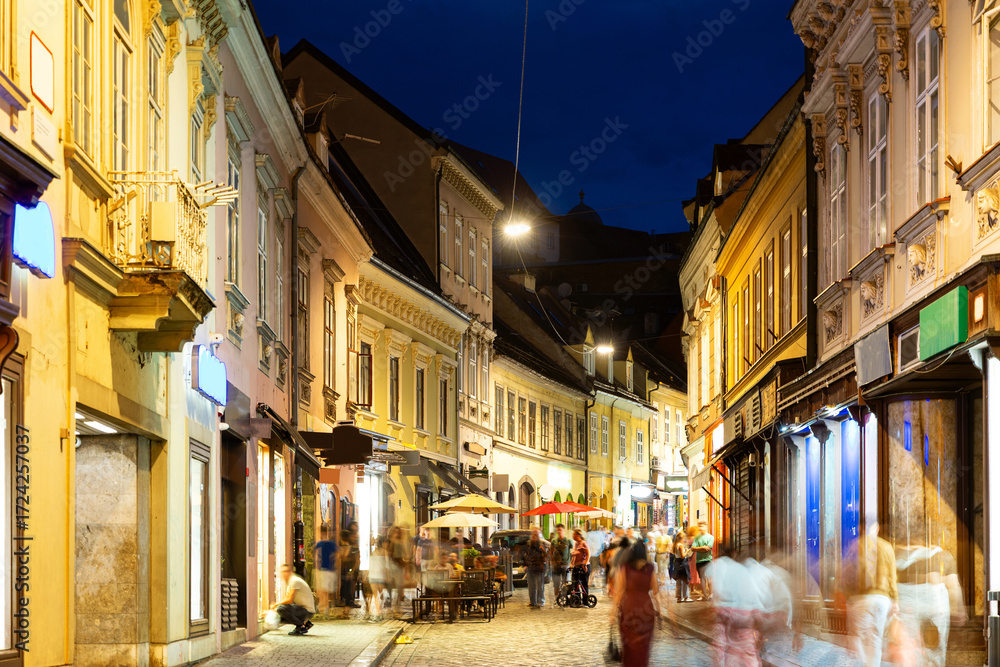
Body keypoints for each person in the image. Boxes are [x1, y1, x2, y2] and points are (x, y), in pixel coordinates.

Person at [845, 523, 898, 667]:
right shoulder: (887, 547)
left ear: (861, 528)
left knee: (857, 636)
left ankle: (863, 662)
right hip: (882, 599)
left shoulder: (856, 545)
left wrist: (848, 597)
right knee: (876, 639)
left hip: (862, 598)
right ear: (877, 528)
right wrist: (895, 600)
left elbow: (848, 573)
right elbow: (892, 576)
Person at [707, 544, 763, 666]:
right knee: (746, 647)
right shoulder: (744, 570)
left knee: (725, 646)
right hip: (744, 614)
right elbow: (755, 595)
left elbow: (717, 590)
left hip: (725, 611)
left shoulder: (718, 566)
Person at [612, 538, 660, 667]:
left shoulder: (625, 568)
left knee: (629, 647)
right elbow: (655, 590)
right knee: (643, 648)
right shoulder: (650, 568)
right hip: (646, 611)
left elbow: (619, 592)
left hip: (629, 609)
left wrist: (612, 613)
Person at [273, 564, 316, 636]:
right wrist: (273, 610)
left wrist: (275, 605)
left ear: (291, 572)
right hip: (302, 609)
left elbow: (289, 600)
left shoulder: (294, 581)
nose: (284, 574)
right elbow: (286, 598)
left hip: (307, 610)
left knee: (280, 608)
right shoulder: (290, 582)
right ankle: (304, 624)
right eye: (283, 572)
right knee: (279, 614)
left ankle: (301, 626)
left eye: (286, 571)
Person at [522, 526, 550, 608]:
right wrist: (526, 564)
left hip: (539, 568)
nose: (533, 537)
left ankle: (540, 601)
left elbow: (545, 555)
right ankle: (533, 601)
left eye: (535, 535)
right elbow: (525, 555)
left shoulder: (542, 544)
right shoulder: (529, 545)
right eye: (533, 535)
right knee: (531, 586)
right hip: (531, 567)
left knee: (540, 586)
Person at [314, 526, 339, 614]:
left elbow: (315, 555)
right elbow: (338, 554)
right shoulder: (331, 544)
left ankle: (323, 609)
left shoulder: (321, 544)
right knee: (325, 591)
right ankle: (326, 609)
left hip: (324, 569)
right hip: (328, 569)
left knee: (323, 591)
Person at [339, 523, 361, 609]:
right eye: (353, 530)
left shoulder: (354, 544)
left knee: (351, 584)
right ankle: (347, 601)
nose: (354, 534)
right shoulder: (347, 546)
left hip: (352, 567)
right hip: (347, 568)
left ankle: (349, 600)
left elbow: (357, 557)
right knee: (347, 584)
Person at [691, 520, 714, 600]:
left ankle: (711, 594)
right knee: (702, 578)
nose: (701, 528)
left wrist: (698, 549)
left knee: (710, 577)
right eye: (699, 526)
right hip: (699, 560)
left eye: (702, 526)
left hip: (708, 559)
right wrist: (703, 547)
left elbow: (708, 548)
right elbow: (693, 548)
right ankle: (704, 595)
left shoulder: (710, 537)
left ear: (706, 526)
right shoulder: (697, 537)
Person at [550, 523, 572, 602]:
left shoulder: (568, 541)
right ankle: (556, 599)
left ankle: (565, 598)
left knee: (565, 583)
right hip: (556, 566)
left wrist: (571, 563)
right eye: (557, 530)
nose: (559, 531)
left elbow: (572, 552)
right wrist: (552, 561)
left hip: (565, 565)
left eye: (560, 530)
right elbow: (551, 552)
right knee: (556, 583)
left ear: (563, 530)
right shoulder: (554, 541)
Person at [671, 531, 690, 603]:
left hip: (677, 563)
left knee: (678, 581)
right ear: (681, 538)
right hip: (683, 563)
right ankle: (685, 596)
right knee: (685, 580)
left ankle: (679, 597)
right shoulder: (681, 546)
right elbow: (682, 556)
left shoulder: (675, 545)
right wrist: (687, 551)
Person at [571, 528, 591, 596]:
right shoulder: (576, 543)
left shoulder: (583, 543)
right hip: (576, 566)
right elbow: (574, 555)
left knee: (583, 585)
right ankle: (577, 599)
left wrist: (585, 564)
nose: (572, 536)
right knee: (574, 584)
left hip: (583, 567)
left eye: (574, 534)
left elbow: (588, 554)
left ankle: (585, 600)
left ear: (578, 535)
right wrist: (571, 564)